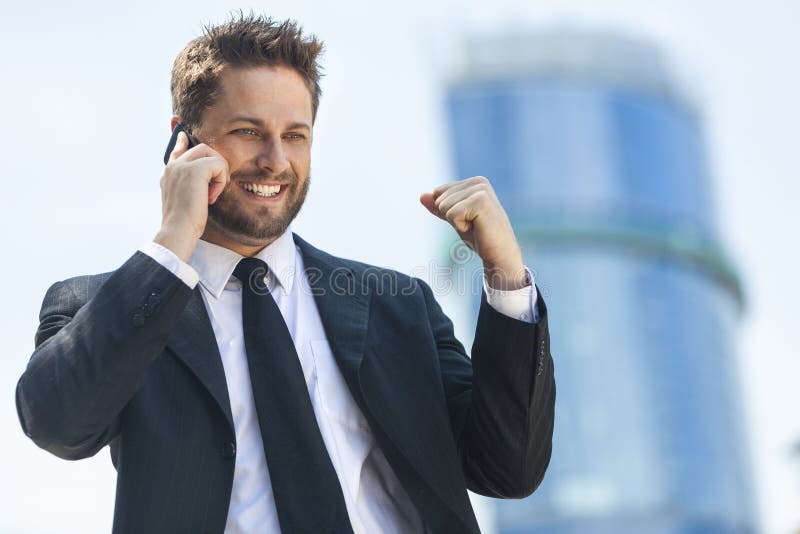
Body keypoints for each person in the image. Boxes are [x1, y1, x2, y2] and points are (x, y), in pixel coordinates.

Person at [15, 13, 555, 534]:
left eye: (295, 135)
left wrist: (505, 274)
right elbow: (59, 426)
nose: (275, 160)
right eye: (249, 131)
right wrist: (173, 238)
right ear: (182, 139)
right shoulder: (101, 305)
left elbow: (506, 470)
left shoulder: (396, 303)